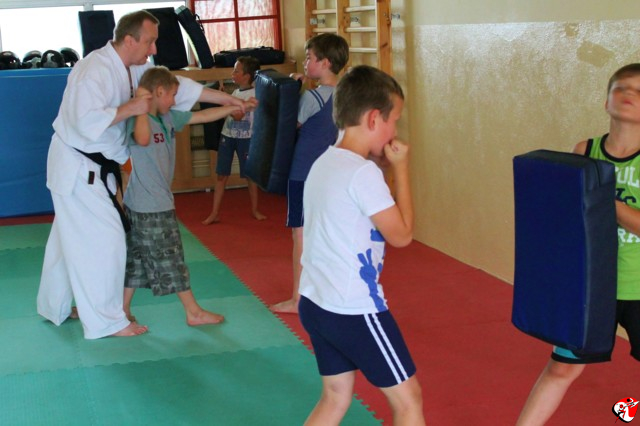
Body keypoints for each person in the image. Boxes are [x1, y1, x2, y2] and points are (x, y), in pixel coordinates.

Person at [36, 10, 256, 339]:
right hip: (78, 166)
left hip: (95, 168)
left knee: (66, 241)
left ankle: (54, 306)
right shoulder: (94, 70)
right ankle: (106, 321)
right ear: (129, 40)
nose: (154, 48)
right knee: (107, 241)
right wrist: (132, 108)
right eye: (150, 41)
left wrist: (229, 99)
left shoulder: (134, 68)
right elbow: (83, 120)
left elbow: (179, 88)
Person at [298, 65, 425, 425]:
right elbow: (401, 235)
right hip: (353, 309)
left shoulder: (325, 162)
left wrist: (381, 167)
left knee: (335, 398)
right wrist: (401, 168)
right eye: (394, 121)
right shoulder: (361, 173)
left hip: (316, 301)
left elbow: (357, 206)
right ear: (373, 119)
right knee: (409, 401)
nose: (395, 132)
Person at [516, 63, 640, 425]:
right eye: (621, 88)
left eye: (639, 91)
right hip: (593, 289)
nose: (628, 94)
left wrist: (605, 201)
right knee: (561, 368)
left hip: (638, 285)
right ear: (606, 101)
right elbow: (567, 223)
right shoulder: (585, 150)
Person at [123, 66, 240, 325]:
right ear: (159, 92)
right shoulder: (138, 118)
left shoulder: (167, 118)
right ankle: (193, 312)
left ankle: (122, 310)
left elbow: (202, 116)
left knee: (138, 258)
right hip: (149, 204)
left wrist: (233, 107)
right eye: (172, 95)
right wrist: (141, 102)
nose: (175, 100)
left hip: (148, 202)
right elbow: (142, 139)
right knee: (171, 257)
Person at [269, 33, 349, 314]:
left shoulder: (312, 97)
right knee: (328, 236)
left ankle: (298, 299)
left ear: (324, 62)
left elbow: (291, 125)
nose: (305, 63)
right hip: (331, 176)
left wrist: (295, 92)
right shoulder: (346, 96)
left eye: (309, 58)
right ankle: (332, 294)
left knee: (301, 236)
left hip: (303, 173)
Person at [202, 56, 266, 224]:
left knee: (250, 176)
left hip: (246, 138)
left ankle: (255, 209)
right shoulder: (236, 93)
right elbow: (232, 112)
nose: (232, 73)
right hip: (228, 136)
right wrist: (226, 103)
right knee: (221, 175)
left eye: (236, 71)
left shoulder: (255, 94)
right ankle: (214, 212)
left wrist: (225, 106)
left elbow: (238, 116)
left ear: (247, 76)